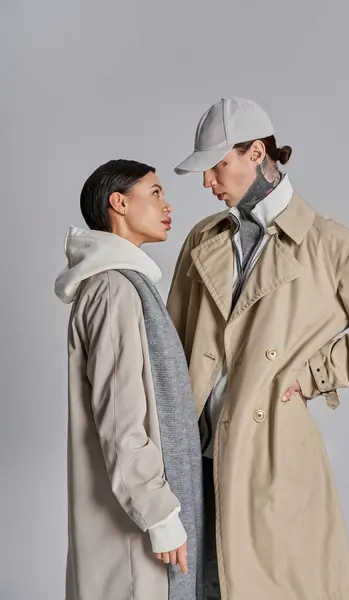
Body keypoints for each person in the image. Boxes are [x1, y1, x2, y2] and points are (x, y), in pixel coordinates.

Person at [167, 97, 349, 600]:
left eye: (217, 166)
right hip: (193, 455)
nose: (208, 183)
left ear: (256, 153)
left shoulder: (332, 245)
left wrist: (314, 374)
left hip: (269, 453)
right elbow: (172, 343)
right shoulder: (201, 239)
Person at [54, 159, 204, 600]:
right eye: (155, 193)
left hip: (129, 521)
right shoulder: (114, 290)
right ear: (119, 203)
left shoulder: (125, 285)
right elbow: (121, 421)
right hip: (130, 532)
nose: (167, 204)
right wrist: (160, 515)